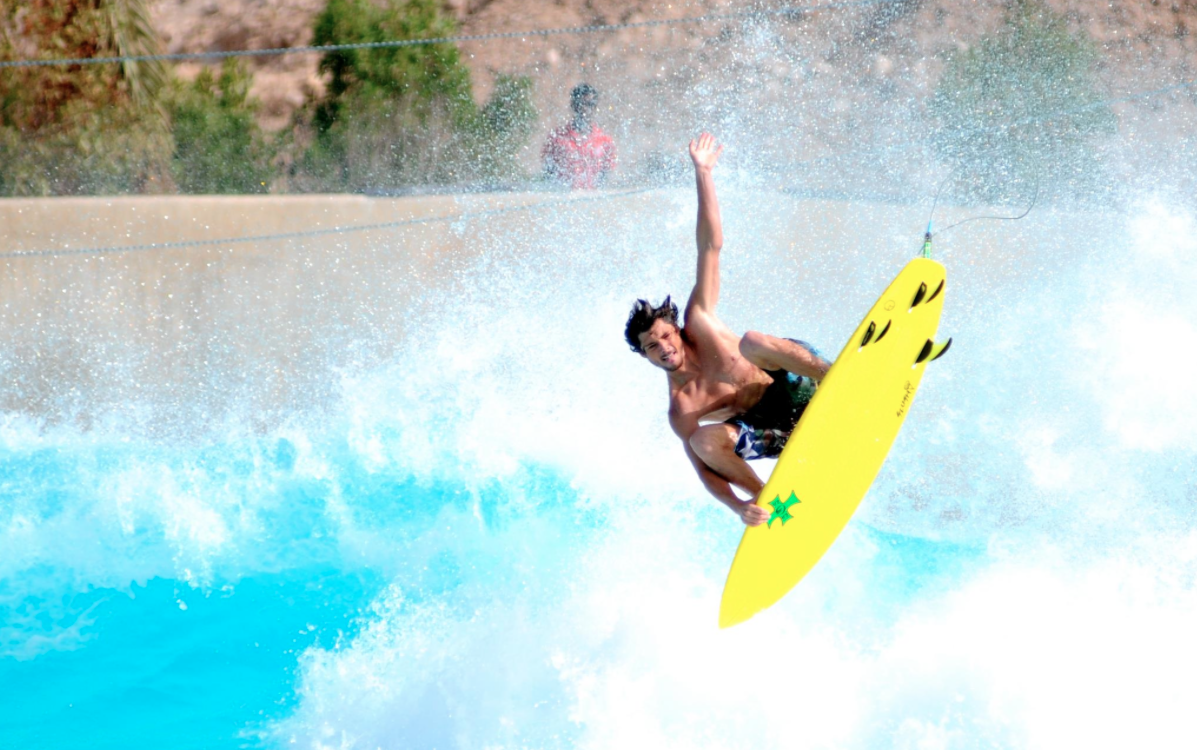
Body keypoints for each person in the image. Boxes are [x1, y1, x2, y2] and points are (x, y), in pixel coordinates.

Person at [624, 133, 832, 527]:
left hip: (800, 383)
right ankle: (769, 501)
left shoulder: (700, 320)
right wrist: (736, 506)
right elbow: (705, 469)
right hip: (776, 430)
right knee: (703, 440)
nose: (663, 347)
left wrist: (703, 173)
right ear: (644, 355)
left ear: (677, 329)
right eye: (651, 346)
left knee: (752, 342)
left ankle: (836, 377)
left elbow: (710, 246)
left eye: (665, 336)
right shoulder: (682, 407)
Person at [542, 83, 616, 189]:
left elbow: (606, 178)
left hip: (593, 197)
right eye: (581, 104)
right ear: (573, 105)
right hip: (564, 197)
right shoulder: (557, 139)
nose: (585, 109)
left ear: (595, 107)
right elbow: (547, 175)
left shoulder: (604, 141)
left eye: (590, 104)